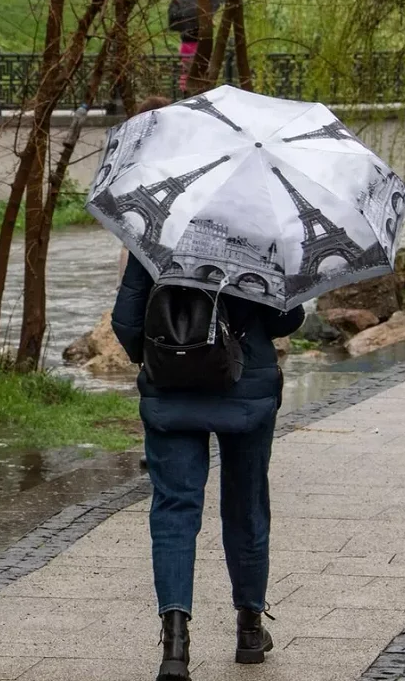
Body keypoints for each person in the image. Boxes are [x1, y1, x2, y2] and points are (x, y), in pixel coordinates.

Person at [112, 253, 305, 681]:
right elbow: (285, 321)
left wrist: (163, 357)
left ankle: (176, 645)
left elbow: (126, 322)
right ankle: (250, 629)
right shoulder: (260, 235)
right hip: (247, 389)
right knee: (247, 504)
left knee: (174, 511)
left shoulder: (158, 236)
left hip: (171, 388)